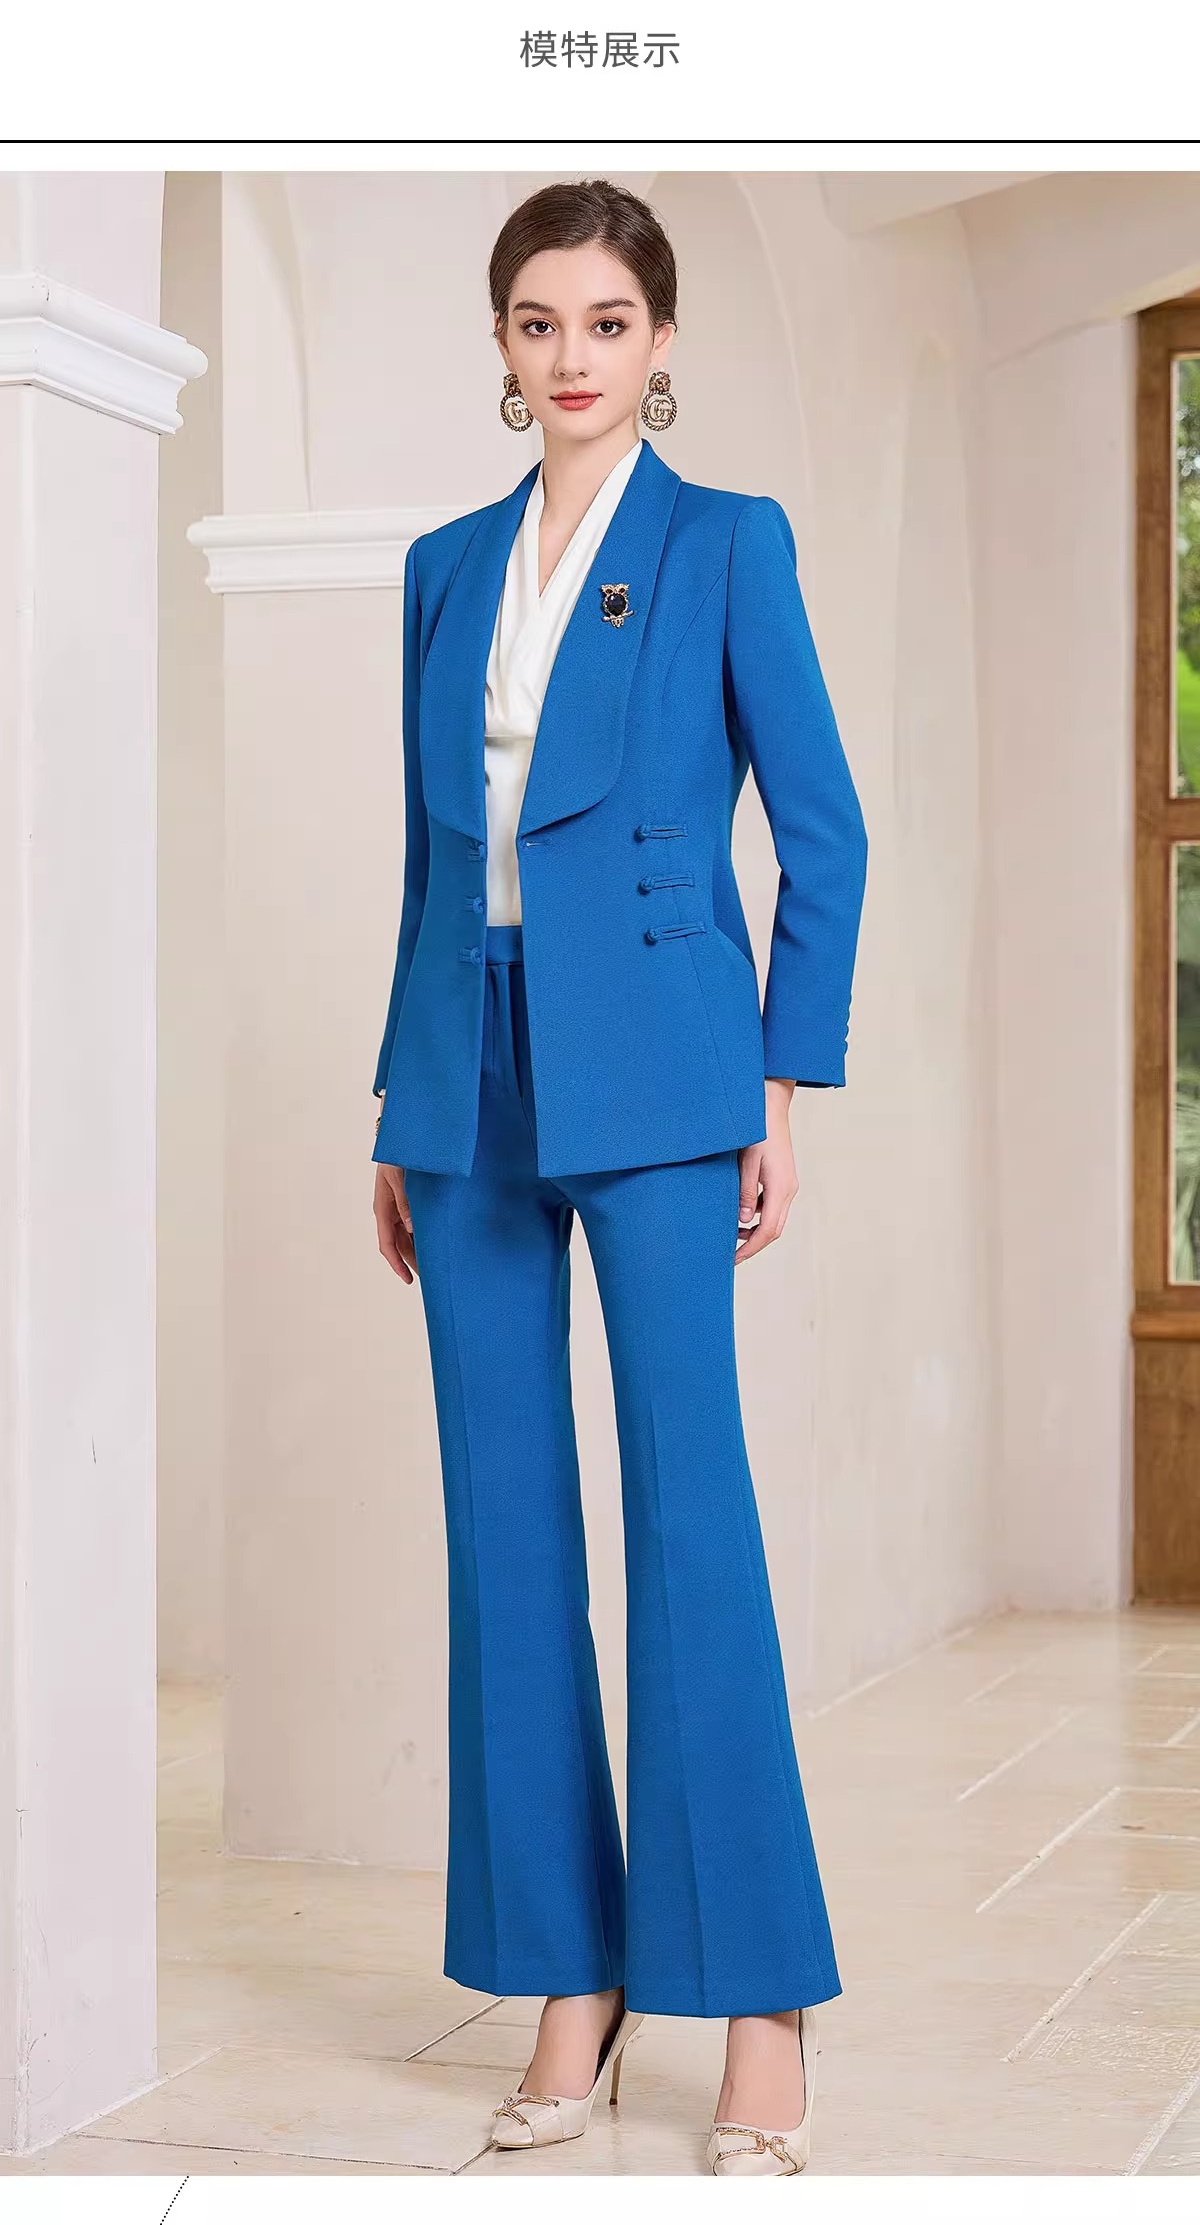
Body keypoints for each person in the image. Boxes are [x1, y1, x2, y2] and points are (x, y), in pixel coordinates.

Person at [371, 179, 868, 2177]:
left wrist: (778, 1085)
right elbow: (432, 860)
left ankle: (758, 2001)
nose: (568, 356)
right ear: (502, 347)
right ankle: (566, 1985)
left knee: (689, 1517)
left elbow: (822, 829)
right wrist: (397, 1103)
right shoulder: (441, 568)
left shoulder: (726, 543)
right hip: (467, 1077)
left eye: (602, 321)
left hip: (665, 1071)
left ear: (659, 342)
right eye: (535, 322)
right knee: (505, 1536)